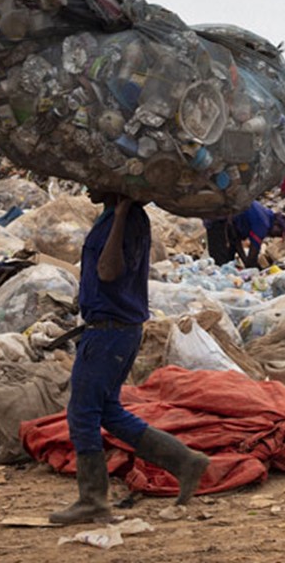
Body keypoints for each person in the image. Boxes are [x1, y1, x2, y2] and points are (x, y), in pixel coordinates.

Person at [50, 192, 209, 525]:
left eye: (96, 179)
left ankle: (92, 500)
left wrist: (120, 214)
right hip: (114, 329)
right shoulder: (113, 215)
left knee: (83, 414)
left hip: (109, 331)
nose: (88, 187)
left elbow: (108, 271)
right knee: (108, 410)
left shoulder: (127, 219)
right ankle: (184, 461)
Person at [204, 201, 285, 268]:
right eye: (278, 233)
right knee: (219, 261)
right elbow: (253, 256)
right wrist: (255, 269)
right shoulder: (263, 225)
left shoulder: (267, 214)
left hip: (226, 221)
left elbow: (236, 241)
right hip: (219, 220)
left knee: (227, 260)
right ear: (277, 224)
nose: (275, 236)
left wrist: (245, 261)